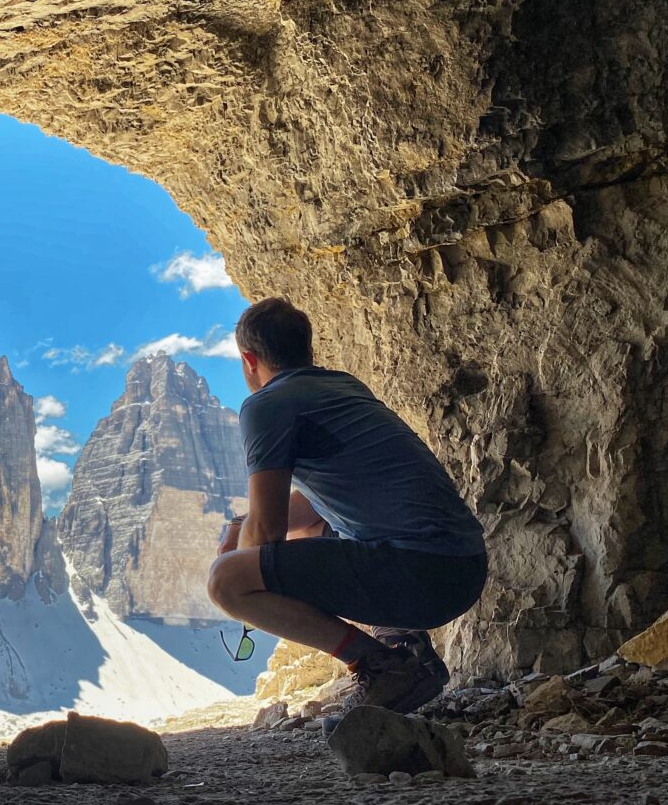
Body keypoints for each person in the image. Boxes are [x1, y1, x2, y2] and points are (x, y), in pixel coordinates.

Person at [207, 297, 487, 718]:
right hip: (463, 566)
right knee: (317, 531)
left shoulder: (267, 404)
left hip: (422, 572)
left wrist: (243, 569)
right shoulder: (343, 387)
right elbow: (316, 507)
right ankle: (402, 642)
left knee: (225, 581)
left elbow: (266, 530)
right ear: (307, 347)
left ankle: (381, 667)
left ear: (249, 360)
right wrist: (239, 523)